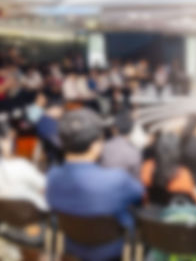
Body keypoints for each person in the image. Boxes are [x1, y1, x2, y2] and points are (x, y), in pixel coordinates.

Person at [47, 109, 144, 261]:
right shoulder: (117, 179)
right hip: (110, 250)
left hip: (72, 245)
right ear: (96, 146)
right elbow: (139, 196)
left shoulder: (53, 176)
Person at [141, 132, 196, 223]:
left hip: (151, 219)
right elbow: (190, 197)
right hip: (176, 218)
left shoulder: (147, 168)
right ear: (178, 151)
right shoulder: (183, 174)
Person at [0, 122, 47, 211]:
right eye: (11, 140)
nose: (14, 144)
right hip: (29, 215)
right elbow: (44, 186)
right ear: (2, 141)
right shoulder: (20, 165)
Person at [100, 110, 141, 178]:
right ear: (131, 129)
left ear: (114, 129)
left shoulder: (103, 147)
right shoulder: (135, 152)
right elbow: (136, 178)